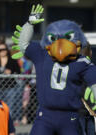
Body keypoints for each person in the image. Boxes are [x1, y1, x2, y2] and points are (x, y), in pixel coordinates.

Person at [11, 4, 96, 135]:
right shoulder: (45, 55)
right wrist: (29, 23)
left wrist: (29, 23)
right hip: (51, 114)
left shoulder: (43, 55)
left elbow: (23, 44)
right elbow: (23, 45)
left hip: (65, 115)